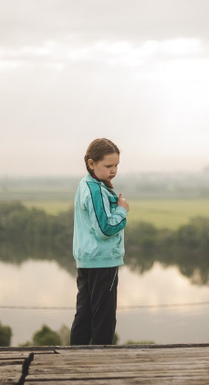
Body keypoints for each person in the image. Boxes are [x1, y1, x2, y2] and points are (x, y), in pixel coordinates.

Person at [70, 138, 130, 345]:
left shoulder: (87, 184)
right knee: (103, 318)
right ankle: (101, 363)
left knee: (85, 314)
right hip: (102, 261)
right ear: (91, 164)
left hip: (88, 259)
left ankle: (74, 360)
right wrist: (122, 209)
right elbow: (105, 229)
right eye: (108, 166)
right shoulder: (95, 189)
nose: (113, 170)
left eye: (116, 166)